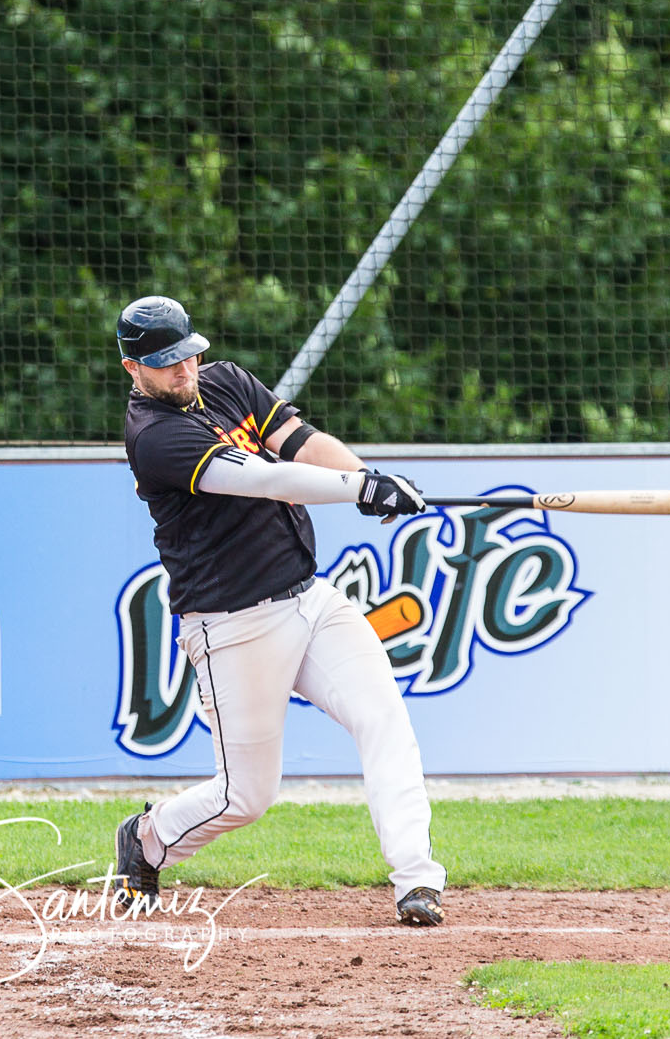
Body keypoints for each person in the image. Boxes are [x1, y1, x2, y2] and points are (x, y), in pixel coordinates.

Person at [107, 296, 448, 927]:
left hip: (309, 598)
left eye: (188, 355)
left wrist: (368, 478)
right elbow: (269, 478)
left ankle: (416, 881)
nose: (183, 371)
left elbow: (302, 442)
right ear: (134, 369)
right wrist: (360, 492)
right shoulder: (155, 438)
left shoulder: (226, 381)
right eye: (165, 365)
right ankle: (148, 839)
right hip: (232, 626)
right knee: (246, 796)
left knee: (384, 719)